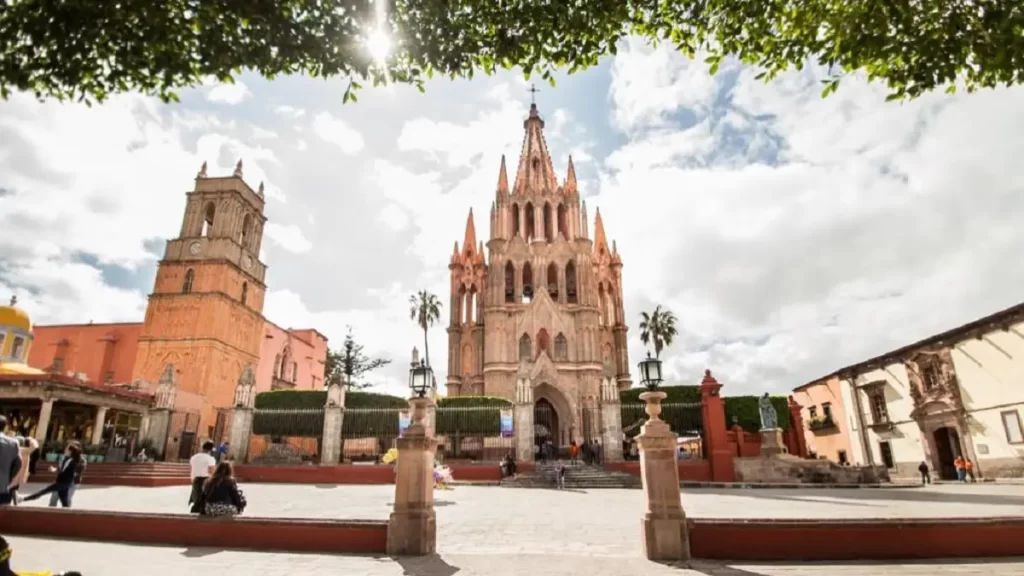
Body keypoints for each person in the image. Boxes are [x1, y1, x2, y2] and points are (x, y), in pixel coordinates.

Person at [21, 442, 82, 507]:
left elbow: (76, 470)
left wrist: (76, 473)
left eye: (66, 449)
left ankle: (23, 499)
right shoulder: (65, 459)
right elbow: (61, 469)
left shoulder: (73, 461)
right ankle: (69, 513)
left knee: (44, 491)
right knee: (64, 501)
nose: (65, 450)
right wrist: (54, 469)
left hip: (64, 483)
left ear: (70, 451)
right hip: (61, 482)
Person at [8, 437, 39, 504]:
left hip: (15, 473)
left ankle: (12, 500)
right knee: (13, 488)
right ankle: (12, 500)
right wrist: (32, 439)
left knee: (12, 488)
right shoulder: (24, 450)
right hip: (19, 474)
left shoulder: (18, 449)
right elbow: (35, 446)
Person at [0, 416, 23, 506]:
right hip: (3, 487)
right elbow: (18, 464)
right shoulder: (14, 443)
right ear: (5, 427)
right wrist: (8, 478)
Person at [188, 441, 217, 512]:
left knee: (196, 499)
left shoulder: (193, 457)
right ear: (210, 450)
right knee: (204, 500)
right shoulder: (210, 459)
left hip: (195, 480)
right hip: (205, 481)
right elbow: (212, 472)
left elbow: (192, 470)